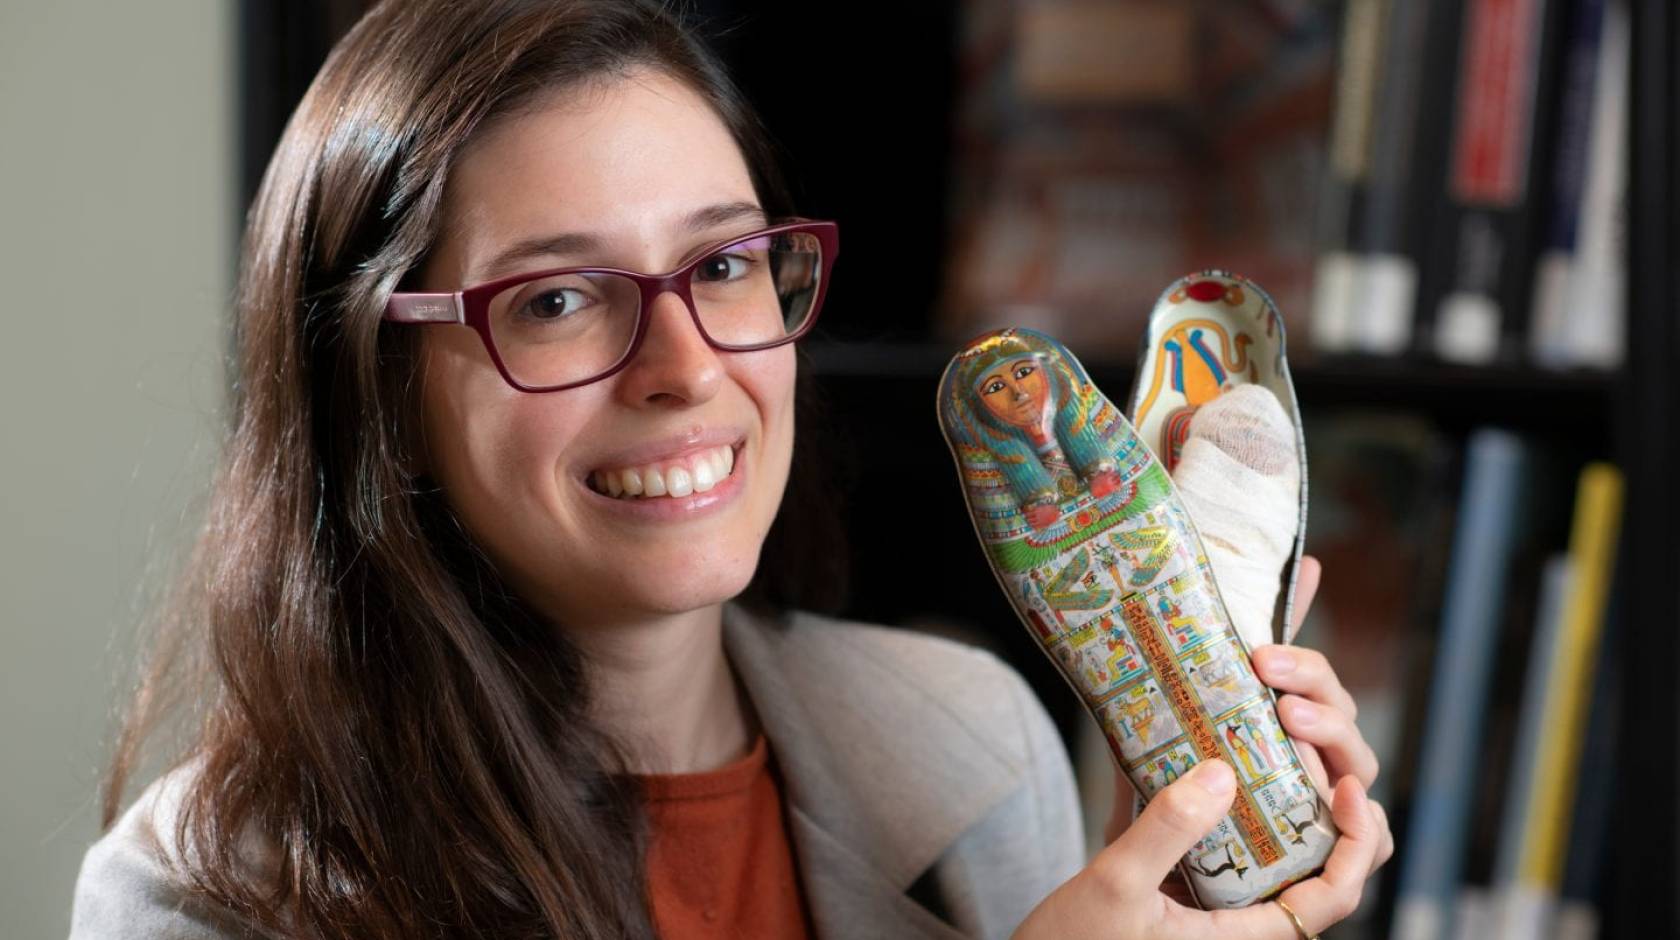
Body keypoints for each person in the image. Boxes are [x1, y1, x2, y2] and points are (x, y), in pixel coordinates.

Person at [68, 2, 1391, 938]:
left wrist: (1218, 891)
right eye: (557, 301)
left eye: (722, 266)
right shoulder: (201, 900)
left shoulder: (976, 743)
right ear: (378, 382)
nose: (686, 367)